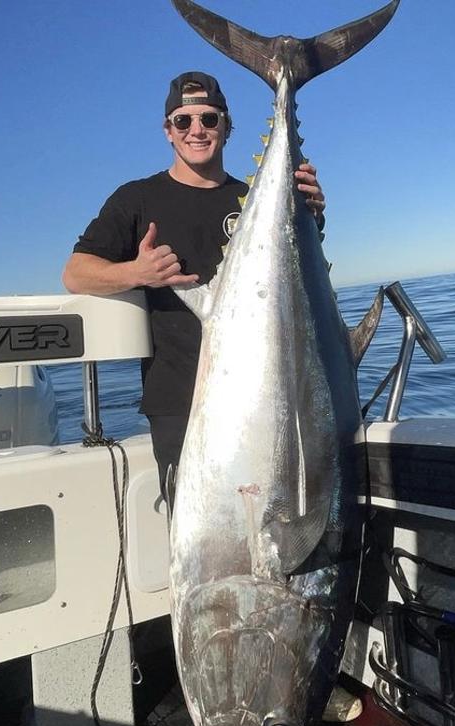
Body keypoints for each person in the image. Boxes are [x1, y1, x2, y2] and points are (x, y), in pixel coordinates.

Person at [63, 71, 326, 496]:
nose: (197, 130)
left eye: (209, 118)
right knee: (201, 537)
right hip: (179, 401)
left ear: (226, 126)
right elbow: (75, 273)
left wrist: (310, 219)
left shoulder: (256, 198)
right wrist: (137, 272)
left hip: (266, 396)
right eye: (183, 121)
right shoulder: (136, 198)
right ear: (168, 131)